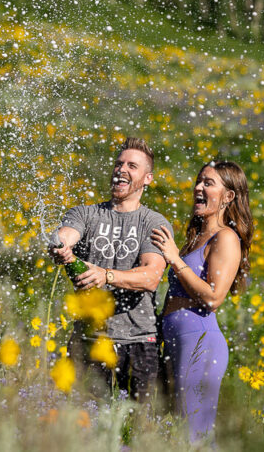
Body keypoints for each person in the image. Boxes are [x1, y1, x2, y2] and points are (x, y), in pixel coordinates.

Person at [50, 137, 170, 400]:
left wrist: (107, 275)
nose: (121, 170)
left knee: (143, 432)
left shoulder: (153, 222)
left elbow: (151, 277)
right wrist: (61, 244)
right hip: (90, 341)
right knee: (85, 430)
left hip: (140, 342)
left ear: (147, 179)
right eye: (119, 164)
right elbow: (68, 233)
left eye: (132, 166)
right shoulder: (85, 213)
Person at [150, 160, 254, 443]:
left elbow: (213, 297)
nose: (198, 187)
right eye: (199, 181)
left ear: (228, 196)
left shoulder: (226, 238)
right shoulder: (195, 237)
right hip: (175, 339)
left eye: (208, 183)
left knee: (193, 435)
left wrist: (173, 258)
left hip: (200, 341)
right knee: (171, 432)